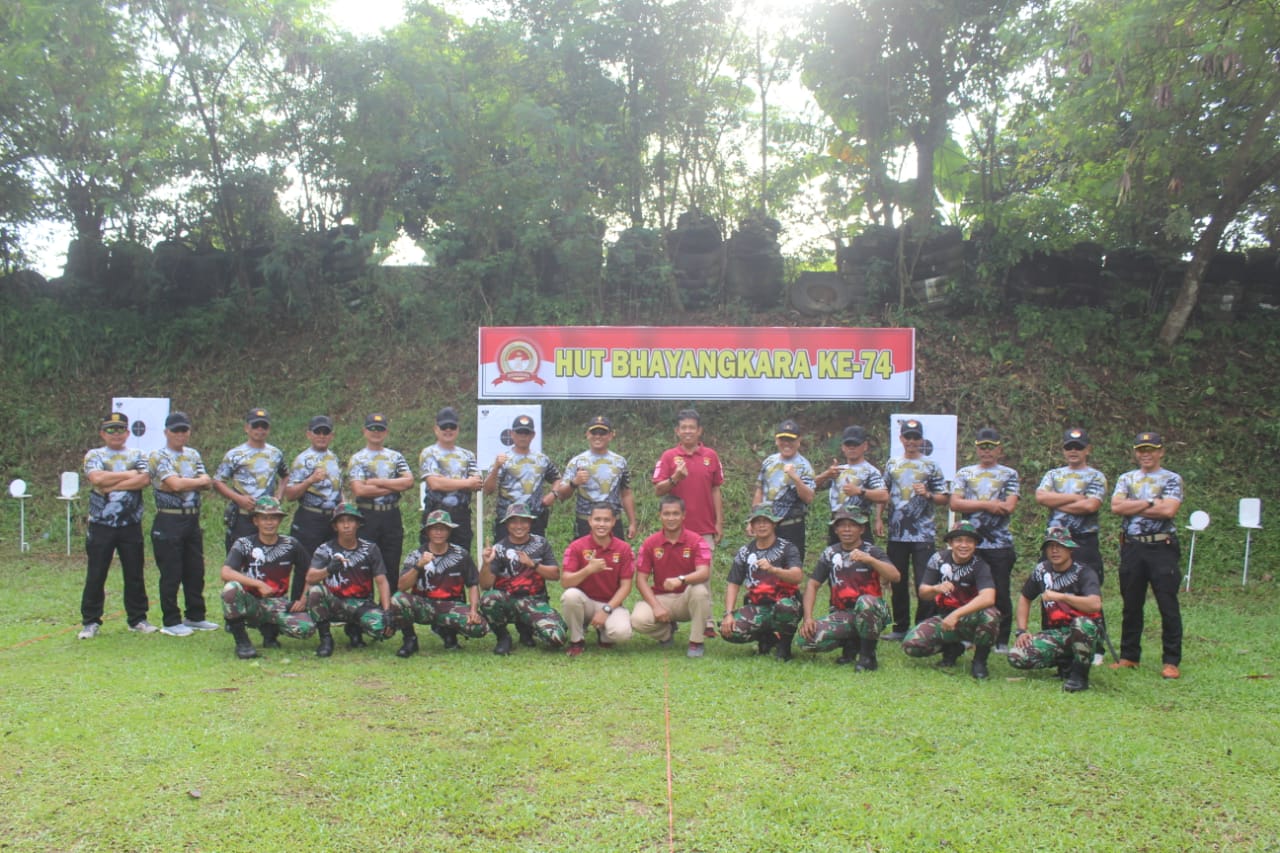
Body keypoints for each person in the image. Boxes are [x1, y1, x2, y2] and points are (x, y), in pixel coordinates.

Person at [1109, 431, 1184, 679]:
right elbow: (1116, 506)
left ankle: (1171, 661)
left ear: (1161, 451)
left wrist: (1134, 505)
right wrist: (1152, 502)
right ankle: (1129, 656)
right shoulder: (1126, 478)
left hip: (1161, 547)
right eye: (1141, 450)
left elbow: (1169, 510)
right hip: (1132, 547)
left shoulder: (1171, 479)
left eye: (1151, 449)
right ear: (1135, 453)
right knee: (1131, 604)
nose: (1146, 454)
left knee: (1167, 604)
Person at [1035, 426, 1109, 664]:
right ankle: (1050, 640)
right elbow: (1041, 497)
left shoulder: (1096, 476)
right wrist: (1076, 497)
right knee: (1048, 590)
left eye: (1078, 447)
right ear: (1063, 450)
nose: (1073, 451)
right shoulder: (1053, 475)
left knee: (1089, 592)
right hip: (1055, 541)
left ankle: (1096, 648)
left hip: (1083, 540)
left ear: (1088, 449)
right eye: (1069, 447)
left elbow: (1091, 506)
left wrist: (1057, 502)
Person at [78, 411, 156, 638]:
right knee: (96, 573)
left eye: (120, 429)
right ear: (102, 433)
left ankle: (138, 619)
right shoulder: (95, 454)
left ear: (128, 432)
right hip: (101, 523)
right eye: (110, 430)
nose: (116, 434)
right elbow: (96, 479)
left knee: (134, 573)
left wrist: (111, 485)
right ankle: (90, 621)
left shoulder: (138, 454)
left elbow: (144, 479)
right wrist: (129, 474)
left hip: (130, 523)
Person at [653, 408, 725, 638]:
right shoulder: (668, 457)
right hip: (674, 530)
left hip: (704, 527)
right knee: (674, 574)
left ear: (699, 430)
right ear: (677, 431)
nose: (687, 431)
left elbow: (716, 489)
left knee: (704, 575)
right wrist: (675, 478)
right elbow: (658, 490)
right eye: (683, 427)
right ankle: (671, 618)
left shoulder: (711, 456)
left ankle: (707, 621)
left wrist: (719, 522)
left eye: (691, 427)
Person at [798, 508, 899, 671]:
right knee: (806, 641)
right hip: (842, 614)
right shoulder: (830, 553)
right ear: (836, 529)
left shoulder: (872, 551)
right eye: (842, 525)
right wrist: (808, 618)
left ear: (862, 529)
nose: (847, 530)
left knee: (865, 602)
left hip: (872, 612)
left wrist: (871, 561)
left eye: (852, 525)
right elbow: (812, 584)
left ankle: (868, 656)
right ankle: (851, 644)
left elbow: (895, 576)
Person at [877, 418, 949, 639]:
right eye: (907, 437)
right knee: (897, 580)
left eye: (915, 437)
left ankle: (923, 627)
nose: (911, 441)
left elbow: (944, 498)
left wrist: (927, 494)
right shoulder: (892, 464)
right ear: (901, 438)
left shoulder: (931, 466)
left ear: (921, 440)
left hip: (923, 533)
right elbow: (883, 492)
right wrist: (878, 518)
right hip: (897, 532)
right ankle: (900, 627)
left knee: (924, 581)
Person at [147, 411, 217, 637]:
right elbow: (175, 484)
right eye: (175, 430)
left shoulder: (193, 454)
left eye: (184, 430)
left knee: (195, 570)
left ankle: (195, 616)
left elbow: (207, 482)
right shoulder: (158, 455)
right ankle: (171, 621)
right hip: (169, 518)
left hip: (192, 518)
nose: (180, 434)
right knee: (171, 572)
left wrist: (186, 483)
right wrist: (193, 482)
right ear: (166, 432)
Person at [950, 427, 1020, 653]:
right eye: (982, 447)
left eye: (991, 447)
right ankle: (967, 635)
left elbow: (1009, 506)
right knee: (966, 589)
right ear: (977, 449)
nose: (987, 451)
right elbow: (955, 503)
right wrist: (988, 504)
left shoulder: (1009, 474)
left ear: (999, 449)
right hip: (969, 544)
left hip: (999, 544)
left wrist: (974, 504)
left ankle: (1001, 640)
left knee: (1000, 591)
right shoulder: (965, 473)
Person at [1007, 528, 1103, 692]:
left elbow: (1095, 604)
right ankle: (1064, 663)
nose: (1054, 550)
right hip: (1056, 633)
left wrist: (1062, 597)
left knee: (1082, 624)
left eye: (1060, 546)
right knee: (1016, 656)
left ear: (1070, 549)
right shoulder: (1041, 570)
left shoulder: (1084, 572)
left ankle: (1080, 676)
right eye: (1050, 546)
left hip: (1086, 632)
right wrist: (1021, 631)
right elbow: (1025, 597)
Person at [219, 497, 315, 659]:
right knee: (231, 589)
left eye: (273, 518)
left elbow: (312, 572)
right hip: (251, 601)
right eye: (264, 518)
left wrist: (303, 599)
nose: (269, 523)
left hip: (278, 602)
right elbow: (226, 572)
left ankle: (270, 630)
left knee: (306, 628)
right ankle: (242, 642)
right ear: (256, 521)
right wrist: (258, 584)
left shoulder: (291, 544)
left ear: (280, 520)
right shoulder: (244, 544)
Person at [902, 522, 1000, 679]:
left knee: (990, 615)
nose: (964, 545)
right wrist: (936, 588)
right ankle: (953, 648)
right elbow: (923, 593)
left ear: (975, 545)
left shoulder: (980, 565)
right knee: (911, 645)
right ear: (950, 542)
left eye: (969, 541)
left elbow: (988, 597)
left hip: (971, 618)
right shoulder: (938, 559)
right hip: (944, 618)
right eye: (959, 540)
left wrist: (956, 615)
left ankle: (980, 661)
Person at [390, 510, 488, 656]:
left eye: (443, 528)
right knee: (397, 599)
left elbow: (473, 584)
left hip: (451, 606)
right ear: (427, 531)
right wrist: (418, 566)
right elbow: (402, 586)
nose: (439, 532)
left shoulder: (461, 555)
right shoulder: (416, 555)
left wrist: (473, 610)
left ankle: (448, 633)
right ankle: (410, 640)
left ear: (449, 531)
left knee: (479, 627)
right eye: (434, 528)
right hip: (424, 606)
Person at [305, 503, 394, 657]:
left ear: (358, 524)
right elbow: (310, 577)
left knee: (383, 629)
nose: (346, 526)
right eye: (341, 521)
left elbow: (382, 581)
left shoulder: (370, 549)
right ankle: (325, 639)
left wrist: (387, 611)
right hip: (334, 602)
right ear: (335, 526)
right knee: (315, 591)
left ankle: (355, 628)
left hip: (361, 604)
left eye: (351, 521)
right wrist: (328, 569)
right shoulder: (325, 549)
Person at [630, 496, 713, 658]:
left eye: (675, 513)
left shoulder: (697, 541)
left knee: (700, 591)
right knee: (637, 620)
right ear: (660, 516)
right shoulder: (650, 543)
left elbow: (704, 572)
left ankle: (696, 642)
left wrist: (680, 580)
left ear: (683, 516)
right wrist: (656, 607)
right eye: (666, 514)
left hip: (686, 599)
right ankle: (666, 633)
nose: (671, 518)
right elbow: (640, 580)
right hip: (661, 598)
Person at [719, 505, 804, 661]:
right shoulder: (745, 551)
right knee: (730, 630)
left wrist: (774, 570)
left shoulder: (787, 548)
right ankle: (767, 638)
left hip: (784, 603)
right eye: (757, 522)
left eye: (766, 521)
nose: (762, 525)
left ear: (774, 524)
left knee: (785, 606)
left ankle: (784, 646)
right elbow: (733, 583)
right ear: (751, 526)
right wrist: (728, 614)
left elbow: (797, 576)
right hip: (757, 605)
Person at [479, 503, 567, 654]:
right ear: (507, 524)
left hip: (535, 601)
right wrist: (486, 564)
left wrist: (533, 564)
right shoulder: (498, 548)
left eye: (523, 521)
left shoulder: (541, 543)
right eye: (514, 521)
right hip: (509, 601)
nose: (519, 526)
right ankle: (503, 637)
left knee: (557, 639)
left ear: (530, 523)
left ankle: (528, 628)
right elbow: (485, 585)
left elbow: (555, 575)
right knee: (488, 599)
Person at [347, 412, 415, 593]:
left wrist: (378, 482)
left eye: (380, 429)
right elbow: (360, 490)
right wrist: (394, 486)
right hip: (367, 516)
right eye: (372, 429)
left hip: (391, 515)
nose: (376, 432)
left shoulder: (395, 457)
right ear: (365, 431)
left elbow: (409, 482)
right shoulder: (358, 458)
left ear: (386, 432)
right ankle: (365, 605)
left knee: (392, 563)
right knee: (364, 564)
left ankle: (390, 605)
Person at [560, 503, 635, 656]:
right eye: (597, 519)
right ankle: (576, 640)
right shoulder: (576, 546)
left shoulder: (623, 548)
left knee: (621, 634)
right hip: (584, 602)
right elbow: (565, 582)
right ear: (590, 521)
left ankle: (603, 632)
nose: (601, 524)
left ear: (613, 522)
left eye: (606, 520)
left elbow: (626, 586)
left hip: (610, 603)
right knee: (570, 596)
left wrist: (606, 610)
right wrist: (588, 570)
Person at [212, 407, 287, 552]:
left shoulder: (276, 454)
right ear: (247, 428)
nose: (260, 430)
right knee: (240, 558)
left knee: (267, 557)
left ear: (269, 429)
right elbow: (217, 481)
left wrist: (278, 496)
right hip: (243, 517)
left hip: (267, 518)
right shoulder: (235, 454)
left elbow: (285, 475)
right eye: (255, 425)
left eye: (264, 426)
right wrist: (239, 499)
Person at [553, 415, 638, 541]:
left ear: (610, 435)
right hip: (585, 521)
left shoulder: (620, 462)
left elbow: (626, 493)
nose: (598, 436)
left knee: (616, 553)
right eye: (594, 432)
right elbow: (561, 495)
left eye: (602, 433)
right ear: (587, 434)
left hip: (613, 521)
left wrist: (632, 522)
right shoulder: (577, 462)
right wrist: (574, 482)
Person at [483, 414, 561, 540]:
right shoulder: (503, 460)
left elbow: (557, 478)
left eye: (526, 433)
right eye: (519, 432)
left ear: (533, 435)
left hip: (534, 519)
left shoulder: (542, 460)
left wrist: (554, 494)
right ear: (512, 434)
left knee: (536, 552)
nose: (523, 436)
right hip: (508, 520)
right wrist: (496, 468)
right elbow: (487, 490)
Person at [418, 406, 483, 551]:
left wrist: (446, 481)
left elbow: (477, 483)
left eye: (452, 427)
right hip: (435, 514)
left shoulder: (468, 455)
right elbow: (435, 484)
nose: (448, 430)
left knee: (461, 557)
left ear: (458, 429)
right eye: (444, 427)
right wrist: (466, 482)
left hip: (461, 515)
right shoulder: (429, 453)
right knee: (431, 557)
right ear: (436, 429)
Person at [813, 425, 889, 546]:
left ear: (865, 446)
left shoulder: (871, 471)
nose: (852, 448)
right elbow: (811, 488)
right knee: (834, 555)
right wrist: (826, 474)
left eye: (856, 444)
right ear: (843, 447)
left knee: (862, 556)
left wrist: (860, 491)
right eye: (848, 444)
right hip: (837, 522)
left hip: (859, 521)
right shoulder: (837, 470)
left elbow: (884, 496)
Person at [752, 418, 817, 560]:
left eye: (791, 440)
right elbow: (760, 490)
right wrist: (753, 518)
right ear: (776, 440)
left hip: (791, 527)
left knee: (791, 567)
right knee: (763, 566)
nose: (786, 443)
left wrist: (795, 478)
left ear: (798, 441)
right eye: (783, 439)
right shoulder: (769, 462)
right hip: (767, 526)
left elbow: (809, 497)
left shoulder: (804, 466)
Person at [283, 414, 344, 559]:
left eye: (326, 432)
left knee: (332, 563)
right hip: (310, 519)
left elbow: (338, 489)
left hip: (332, 520)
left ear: (332, 436)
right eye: (317, 432)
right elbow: (289, 494)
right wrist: (310, 480)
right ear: (309, 435)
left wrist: (344, 506)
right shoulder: (302, 460)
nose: (321, 436)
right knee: (306, 564)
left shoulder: (334, 458)